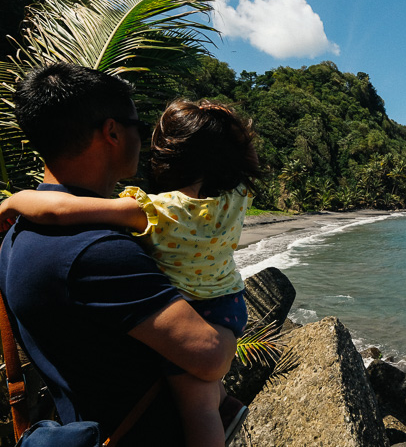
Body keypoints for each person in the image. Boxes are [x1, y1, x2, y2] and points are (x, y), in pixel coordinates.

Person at [0, 63, 237, 446]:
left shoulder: (16, 235)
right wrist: (231, 315)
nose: (144, 142)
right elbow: (208, 355)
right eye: (139, 129)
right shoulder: (98, 250)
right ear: (112, 132)